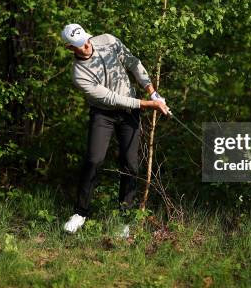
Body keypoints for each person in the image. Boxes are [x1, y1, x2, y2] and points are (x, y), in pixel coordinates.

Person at [60, 23, 170, 235]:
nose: (86, 46)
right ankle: (80, 213)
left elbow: (133, 63)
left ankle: (124, 218)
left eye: (85, 41)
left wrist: (152, 92)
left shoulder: (108, 41)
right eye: (79, 45)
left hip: (129, 113)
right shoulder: (78, 74)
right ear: (69, 48)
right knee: (94, 160)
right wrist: (147, 104)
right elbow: (111, 98)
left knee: (130, 164)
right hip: (103, 114)